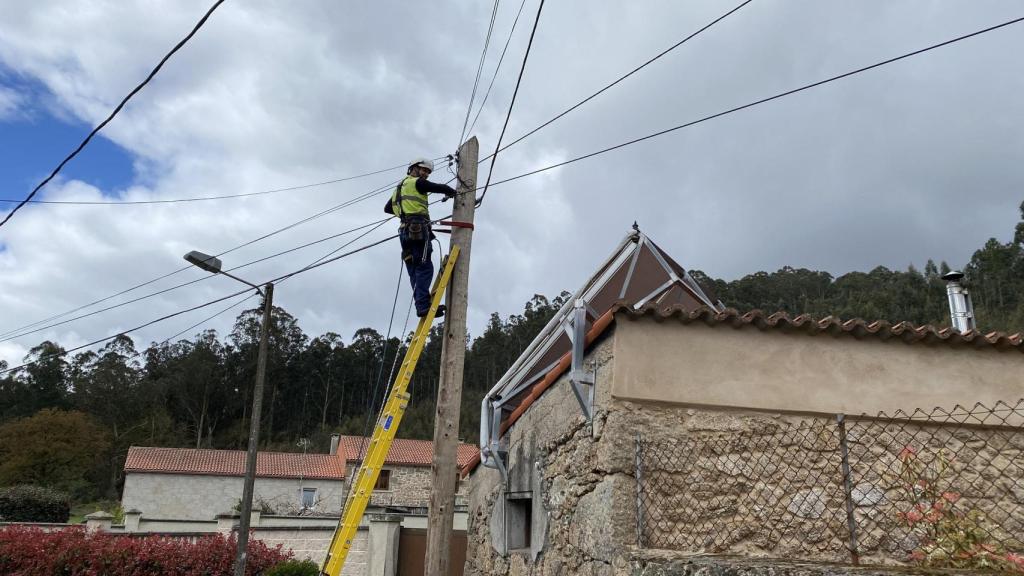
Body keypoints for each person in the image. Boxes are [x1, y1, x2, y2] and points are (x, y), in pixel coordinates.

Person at [385, 158, 457, 317]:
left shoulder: (399, 188)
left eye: (428, 172)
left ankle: (421, 305)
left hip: (404, 231)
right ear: (412, 169)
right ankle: (423, 306)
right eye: (423, 169)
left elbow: (388, 208)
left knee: (414, 269)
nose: (425, 174)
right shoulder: (416, 183)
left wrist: (405, 210)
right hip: (418, 229)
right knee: (424, 267)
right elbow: (439, 187)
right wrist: (453, 192)